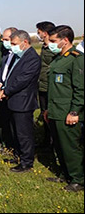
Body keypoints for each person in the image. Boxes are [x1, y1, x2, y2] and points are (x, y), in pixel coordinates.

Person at [45, 25, 84, 192]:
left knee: (71, 147)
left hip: (67, 112)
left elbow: (81, 89)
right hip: (55, 110)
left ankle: (78, 179)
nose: (50, 44)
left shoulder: (76, 59)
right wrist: (48, 109)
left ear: (65, 40)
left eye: (53, 41)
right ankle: (65, 174)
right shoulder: (58, 59)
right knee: (59, 145)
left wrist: (75, 111)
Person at [0, 30, 41, 173]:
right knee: (15, 131)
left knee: (24, 133)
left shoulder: (32, 58)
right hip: (13, 100)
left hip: (23, 101)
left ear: (25, 42)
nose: (12, 46)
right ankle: (18, 155)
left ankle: (26, 162)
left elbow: (22, 80)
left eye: (14, 43)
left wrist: (6, 91)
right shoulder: (17, 56)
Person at [0, 27, 18, 157]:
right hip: (2, 91)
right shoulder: (7, 54)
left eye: (6, 39)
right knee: (4, 121)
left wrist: (6, 90)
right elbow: (1, 71)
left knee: (15, 124)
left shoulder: (19, 56)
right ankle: (8, 145)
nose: (3, 41)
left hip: (12, 94)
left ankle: (16, 149)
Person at [36, 21, 57, 147]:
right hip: (42, 86)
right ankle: (46, 140)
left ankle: (54, 142)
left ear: (45, 33)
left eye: (39, 32)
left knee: (51, 115)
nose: (38, 35)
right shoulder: (44, 47)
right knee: (44, 114)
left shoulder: (54, 47)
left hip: (51, 86)